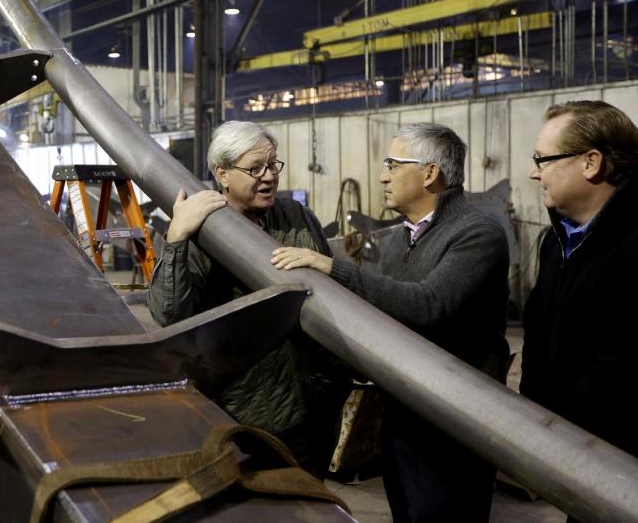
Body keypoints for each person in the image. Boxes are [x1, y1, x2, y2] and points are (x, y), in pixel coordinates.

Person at [272, 122, 510, 523]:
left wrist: (335, 269)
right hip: (405, 416)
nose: (383, 175)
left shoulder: (477, 235)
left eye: (393, 164)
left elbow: (427, 305)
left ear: (430, 173)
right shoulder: (403, 238)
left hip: (455, 425)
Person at [147, 120, 345, 473]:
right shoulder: (202, 230)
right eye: (255, 168)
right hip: (249, 410)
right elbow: (168, 313)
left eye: (273, 165)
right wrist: (176, 236)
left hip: (316, 400)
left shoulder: (295, 217)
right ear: (222, 173)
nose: (268, 176)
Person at [520, 101, 638, 469]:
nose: (534, 173)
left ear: (591, 163)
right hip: (567, 451)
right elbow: (538, 338)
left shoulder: (633, 246)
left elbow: (619, 367)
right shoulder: (555, 241)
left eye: (544, 160)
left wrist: (561, 431)